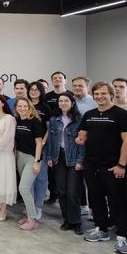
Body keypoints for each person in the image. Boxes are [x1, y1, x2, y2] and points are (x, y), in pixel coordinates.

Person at [77, 81, 127, 254]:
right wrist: (80, 139)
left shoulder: (121, 115)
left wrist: (121, 165)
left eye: (103, 93)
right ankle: (101, 228)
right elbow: (83, 134)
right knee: (96, 198)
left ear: (111, 94)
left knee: (118, 201)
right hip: (92, 163)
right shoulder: (89, 115)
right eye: (97, 94)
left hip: (113, 166)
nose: (99, 97)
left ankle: (122, 235)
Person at [43, 93, 85, 234]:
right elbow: (51, 139)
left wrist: (80, 160)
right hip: (58, 157)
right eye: (61, 101)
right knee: (62, 191)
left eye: (66, 101)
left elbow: (83, 142)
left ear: (72, 103)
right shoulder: (54, 120)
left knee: (73, 192)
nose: (63, 103)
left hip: (74, 158)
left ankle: (76, 221)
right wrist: (49, 156)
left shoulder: (79, 120)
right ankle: (67, 219)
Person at [14, 98, 44, 230]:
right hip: (20, 156)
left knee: (23, 188)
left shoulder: (35, 121)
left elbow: (39, 143)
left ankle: (32, 219)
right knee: (29, 188)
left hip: (31, 158)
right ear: (16, 108)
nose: (22, 109)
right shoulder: (17, 121)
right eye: (19, 106)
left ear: (29, 107)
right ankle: (28, 215)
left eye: (25, 106)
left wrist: (37, 161)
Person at [29, 81, 54, 209]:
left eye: (36, 90)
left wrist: (43, 142)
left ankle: (38, 206)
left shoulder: (45, 108)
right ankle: (30, 206)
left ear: (41, 92)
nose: (33, 92)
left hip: (42, 147)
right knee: (29, 179)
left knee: (41, 177)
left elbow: (49, 128)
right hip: (26, 147)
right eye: (31, 89)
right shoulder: (24, 105)